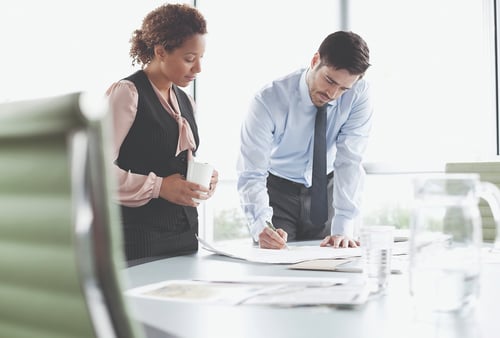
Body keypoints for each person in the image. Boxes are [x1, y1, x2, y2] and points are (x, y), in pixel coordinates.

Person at [237, 31, 372, 250]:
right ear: (315, 60)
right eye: (329, 80)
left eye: (343, 88)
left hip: (327, 190)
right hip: (278, 193)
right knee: (276, 262)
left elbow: (350, 160)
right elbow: (252, 172)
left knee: (331, 261)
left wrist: (344, 226)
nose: (333, 94)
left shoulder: (358, 94)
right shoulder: (268, 100)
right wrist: (261, 224)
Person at [106, 3, 218, 264]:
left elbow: (173, 160)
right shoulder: (128, 92)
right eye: (189, 59)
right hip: (138, 239)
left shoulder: (186, 101)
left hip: (185, 235)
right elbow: (96, 171)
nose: (198, 68)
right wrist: (159, 187)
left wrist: (203, 179)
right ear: (160, 52)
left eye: (201, 58)